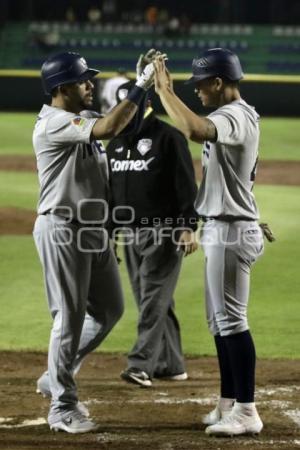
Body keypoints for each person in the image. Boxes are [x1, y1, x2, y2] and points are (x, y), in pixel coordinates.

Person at [32, 50, 156, 434]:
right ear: (62, 87)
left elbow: (120, 126)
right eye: (84, 80)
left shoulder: (83, 118)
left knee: (108, 310)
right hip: (63, 228)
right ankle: (62, 407)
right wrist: (138, 86)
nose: (91, 85)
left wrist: (143, 94)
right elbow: (105, 129)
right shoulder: (53, 123)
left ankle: (56, 374)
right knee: (67, 319)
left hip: (93, 232)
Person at [154, 48, 265, 436]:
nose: (197, 92)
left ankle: (247, 410)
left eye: (200, 85)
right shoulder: (232, 113)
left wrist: (164, 90)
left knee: (232, 322)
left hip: (232, 229)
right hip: (224, 227)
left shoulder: (233, 115)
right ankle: (229, 402)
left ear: (219, 82)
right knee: (220, 324)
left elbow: (194, 129)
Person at [106, 80, 198, 387]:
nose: (125, 114)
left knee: (152, 301)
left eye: (130, 107)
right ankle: (171, 364)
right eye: (122, 108)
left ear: (145, 104)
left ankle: (140, 364)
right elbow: (112, 193)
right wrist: (109, 234)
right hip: (130, 234)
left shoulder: (169, 138)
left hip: (164, 233)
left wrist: (187, 226)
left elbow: (186, 185)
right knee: (155, 300)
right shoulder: (115, 143)